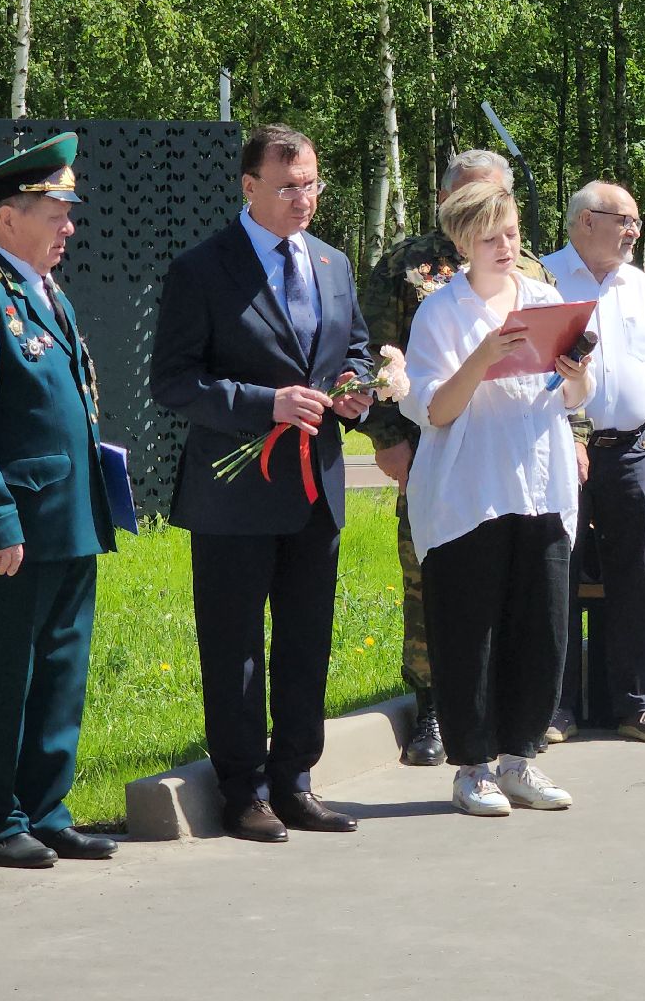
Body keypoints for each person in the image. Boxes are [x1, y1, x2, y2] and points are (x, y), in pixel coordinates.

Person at [151, 125, 374, 842]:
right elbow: (174, 382)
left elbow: (355, 349)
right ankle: (243, 789)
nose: (303, 198)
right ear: (249, 188)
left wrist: (358, 392)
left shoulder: (333, 263)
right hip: (235, 492)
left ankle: (296, 780)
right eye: (288, 186)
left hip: (316, 485)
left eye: (311, 184)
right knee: (236, 646)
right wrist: (262, 404)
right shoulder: (202, 269)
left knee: (308, 639)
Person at [0, 132, 117, 868]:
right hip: (11, 531)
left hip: (68, 520)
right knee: (4, 675)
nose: (69, 226)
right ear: (9, 218)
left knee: (61, 672)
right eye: (57, 211)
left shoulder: (43, 291)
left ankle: (45, 808)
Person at [360, 149, 561, 765]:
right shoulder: (408, 269)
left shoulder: (536, 281)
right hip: (443, 461)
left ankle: (519, 741)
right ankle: (433, 713)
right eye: (476, 211)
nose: (498, 233)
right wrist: (389, 440)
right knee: (443, 598)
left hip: (529, 472)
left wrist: (575, 430)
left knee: (533, 608)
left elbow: (565, 370)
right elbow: (380, 356)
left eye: (505, 217)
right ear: (451, 211)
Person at [402, 180, 591, 816]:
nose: (505, 246)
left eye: (510, 232)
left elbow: (575, 397)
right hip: (469, 492)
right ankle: (472, 768)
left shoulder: (543, 298)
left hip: (540, 485)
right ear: (462, 243)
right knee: (469, 631)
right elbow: (436, 409)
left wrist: (576, 374)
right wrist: (483, 355)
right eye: (489, 238)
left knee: (540, 627)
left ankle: (521, 759)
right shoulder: (441, 312)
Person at [540, 182, 645, 744]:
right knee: (556, 575)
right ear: (585, 222)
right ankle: (552, 708)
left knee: (639, 577)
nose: (634, 231)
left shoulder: (639, 284)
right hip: (561, 447)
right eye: (624, 220)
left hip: (634, 449)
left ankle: (640, 705)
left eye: (636, 221)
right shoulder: (544, 279)